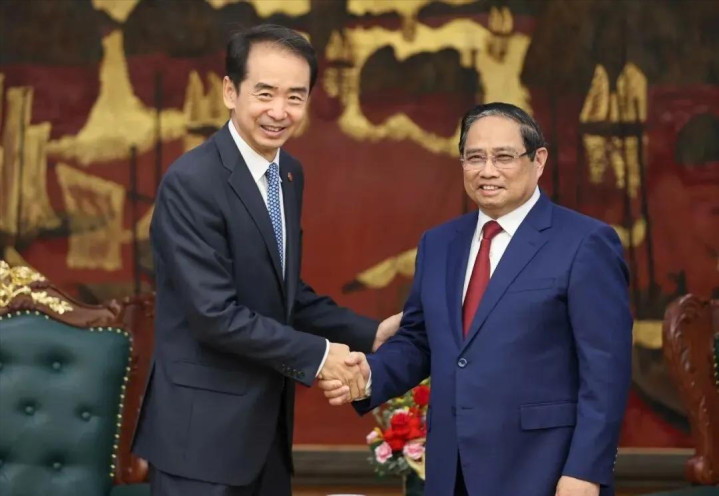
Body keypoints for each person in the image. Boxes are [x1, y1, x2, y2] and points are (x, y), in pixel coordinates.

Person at [132, 24, 399, 496]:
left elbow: (283, 293)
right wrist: (321, 357)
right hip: (201, 442)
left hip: (266, 435)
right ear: (230, 92)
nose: (279, 111)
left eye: (295, 97)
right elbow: (215, 315)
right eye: (265, 93)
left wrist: (371, 334)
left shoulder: (288, 173)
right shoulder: (192, 182)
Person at [320, 102, 633, 496]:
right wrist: (368, 376)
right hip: (450, 471)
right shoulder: (439, 243)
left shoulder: (585, 242)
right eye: (474, 158)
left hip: (543, 470)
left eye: (503, 157)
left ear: (538, 160)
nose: (487, 170)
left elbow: (606, 371)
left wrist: (586, 471)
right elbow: (419, 340)